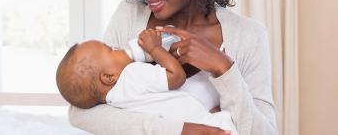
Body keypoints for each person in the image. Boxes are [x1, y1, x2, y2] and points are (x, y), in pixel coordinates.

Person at [69, 0, 277, 134]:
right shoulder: (130, 14)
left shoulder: (248, 36)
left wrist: (224, 68)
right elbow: (81, 113)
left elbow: (266, 132)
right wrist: (179, 129)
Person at [56, 29, 237, 134]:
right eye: (111, 49)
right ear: (109, 77)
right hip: (208, 126)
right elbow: (176, 77)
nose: (118, 47)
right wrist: (154, 48)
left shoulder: (114, 100)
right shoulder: (131, 75)